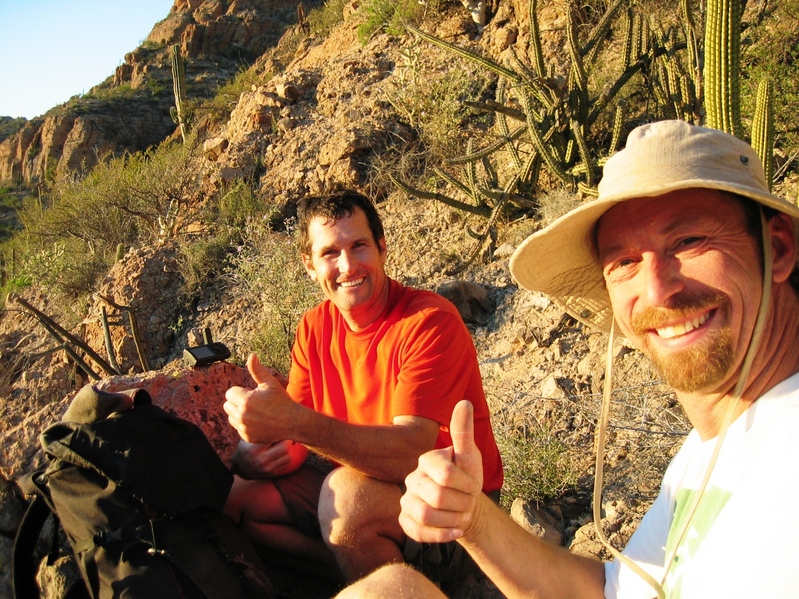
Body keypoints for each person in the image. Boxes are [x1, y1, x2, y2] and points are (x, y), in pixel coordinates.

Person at [336, 120, 799, 598]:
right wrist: (474, 518)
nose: (656, 289)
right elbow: (612, 590)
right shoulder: (707, 452)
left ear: (778, 249)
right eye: (624, 263)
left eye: (688, 241)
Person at [222, 190, 504, 585]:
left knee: (348, 500)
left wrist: (295, 424)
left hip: (455, 510)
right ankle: (363, 578)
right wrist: (250, 451)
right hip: (374, 491)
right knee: (241, 499)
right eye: (329, 253)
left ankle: (406, 586)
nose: (348, 265)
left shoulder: (428, 322)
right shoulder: (314, 327)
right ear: (309, 264)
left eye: (359, 246)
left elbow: (411, 453)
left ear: (382, 247)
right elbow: (292, 447)